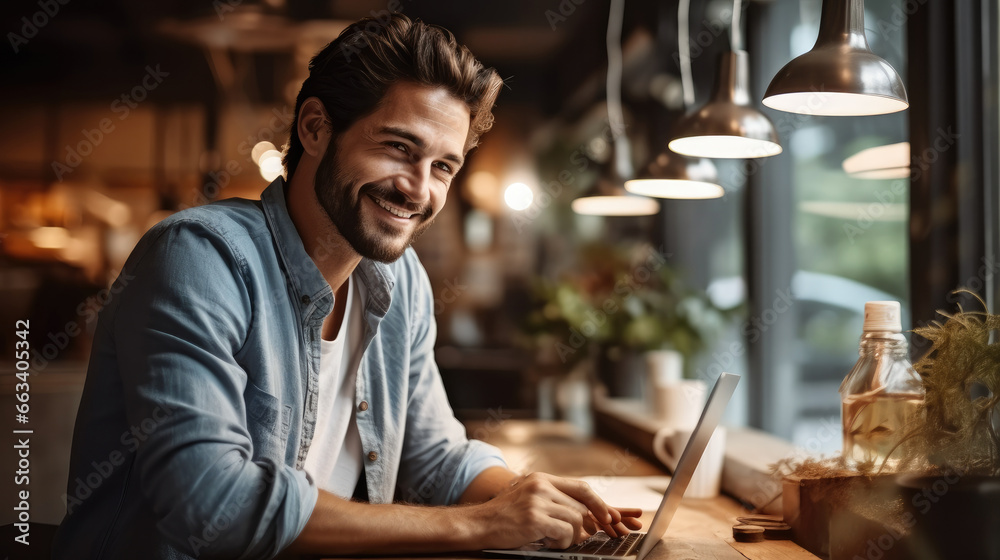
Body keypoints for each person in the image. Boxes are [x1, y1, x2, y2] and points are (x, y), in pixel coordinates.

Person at [53, 13, 642, 560]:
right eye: (398, 148)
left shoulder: (399, 278)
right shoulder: (199, 258)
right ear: (315, 128)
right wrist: (483, 524)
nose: (419, 190)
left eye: (443, 166)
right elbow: (211, 503)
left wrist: (530, 499)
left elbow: (434, 456)